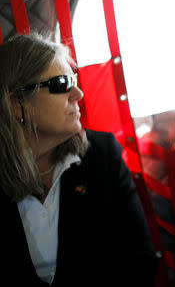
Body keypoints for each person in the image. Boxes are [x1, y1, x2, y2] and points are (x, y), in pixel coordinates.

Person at [0, 33, 157, 286]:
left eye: (73, 80)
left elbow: (140, 260)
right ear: (18, 103)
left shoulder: (102, 155)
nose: (78, 93)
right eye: (61, 83)